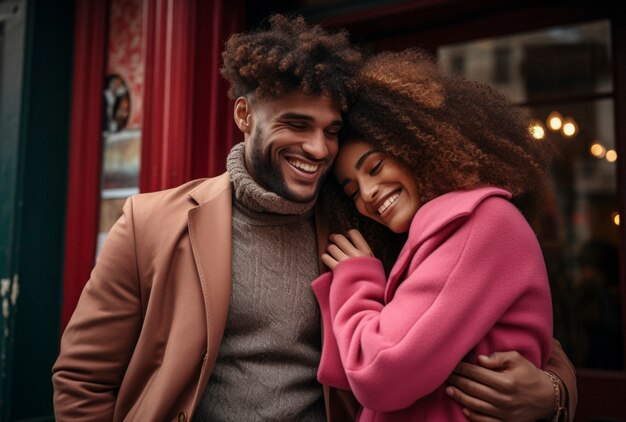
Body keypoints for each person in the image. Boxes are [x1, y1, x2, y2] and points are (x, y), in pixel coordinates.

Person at [52, 15, 575, 422]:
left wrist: (553, 394)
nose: (317, 147)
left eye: (330, 130)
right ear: (243, 116)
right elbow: (82, 378)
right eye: (297, 124)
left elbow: (512, 330)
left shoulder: (366, 225)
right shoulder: (151, 223)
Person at [313, 48, 574, 421]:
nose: (367, 193)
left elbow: (379, 373)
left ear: (415, 148)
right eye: (352, 190)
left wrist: (356, 281)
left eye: (375, 166)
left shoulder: (474, 221)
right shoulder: (434, 234)